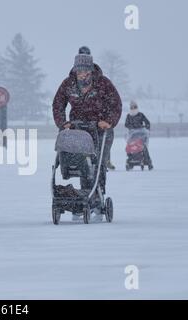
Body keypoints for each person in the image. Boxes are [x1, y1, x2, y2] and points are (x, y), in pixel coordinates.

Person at [52, 46, 122, 221]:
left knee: (98, 163)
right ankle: (83, 197)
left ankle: (98, 198)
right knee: (82, 162)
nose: (82, 74)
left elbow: (116, 104)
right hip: (77, 129)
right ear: (75, 70)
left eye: (85, 71)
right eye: (79, 71)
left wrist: (109, 122)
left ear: (91, 70)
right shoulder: (68, 84)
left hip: (100, 129)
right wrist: (63, 123)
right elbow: (58, 104)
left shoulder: (103, 83)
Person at [125, 101, 153, 169]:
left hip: (141, 135)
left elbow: (147, 122)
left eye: (135, 107)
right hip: (132, 136)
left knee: (143, 148)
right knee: (130, 148)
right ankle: (131, 159)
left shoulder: (140, 115)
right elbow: (126, 124)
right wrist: (132, 127)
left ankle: (147, 160)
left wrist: (146, 129)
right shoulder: (128, 116)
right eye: (132, 107)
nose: (133, 108)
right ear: (130, 108)